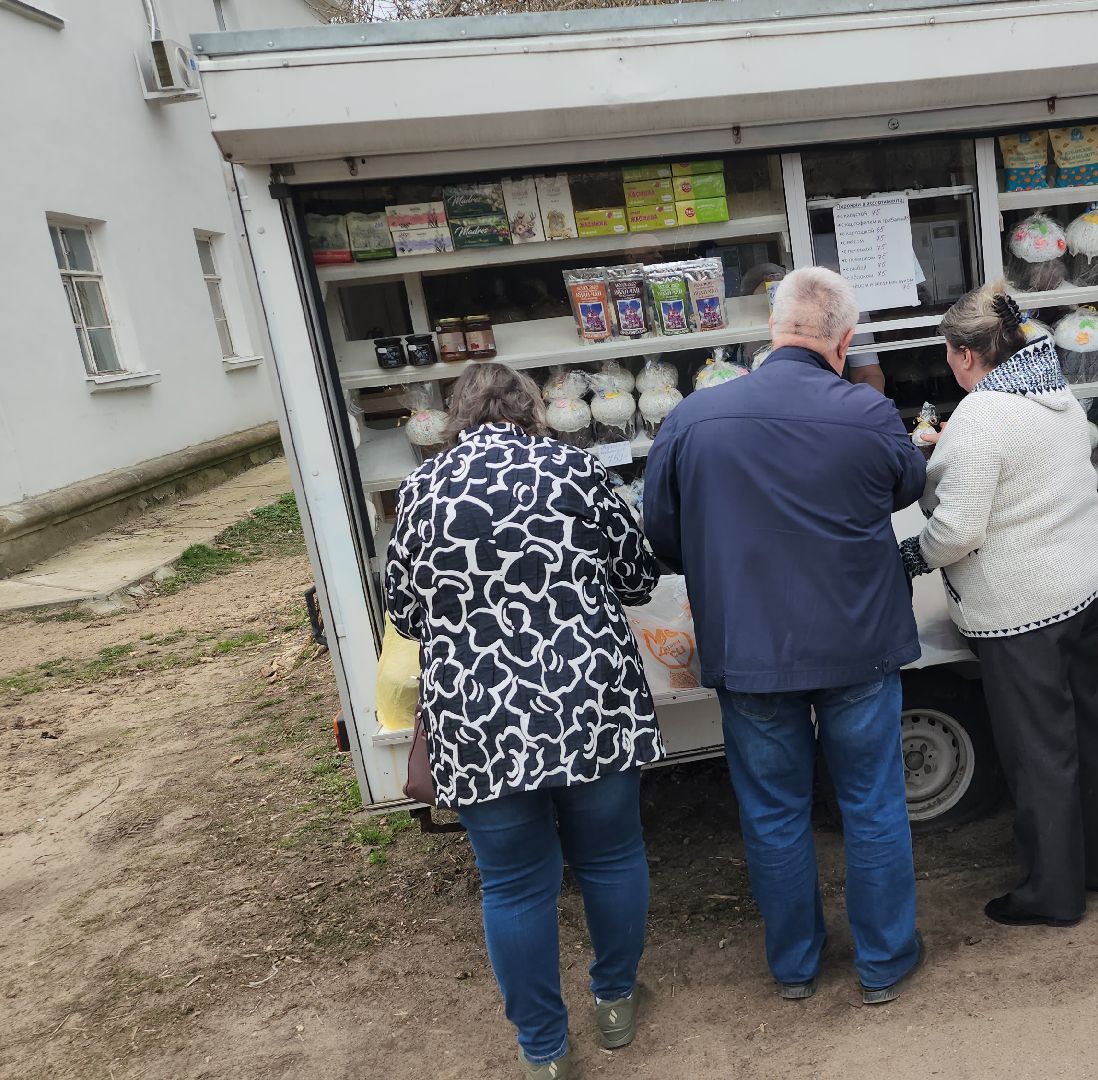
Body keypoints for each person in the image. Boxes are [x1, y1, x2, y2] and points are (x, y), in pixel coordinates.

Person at [641, 266, 927, 1004]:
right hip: (857, 642)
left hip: (750, 647)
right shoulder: (868, 413)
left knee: (772, 810)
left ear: (771, 330)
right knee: (871, 802)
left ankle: (796, 966)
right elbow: (906, 488)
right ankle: (884, 964)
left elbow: (664, 536)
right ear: (845, 338)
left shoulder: (694, 419)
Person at [383, 362, 659, 1080]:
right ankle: (615, 1001)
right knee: (611, 856)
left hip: (478, 718)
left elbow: (406, 613)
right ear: (536, 410)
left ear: (457, 417)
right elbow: (636, 577)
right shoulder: (576, 469)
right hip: (588, 702)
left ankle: (543, 1050)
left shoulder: (422, 488)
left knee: (511, 886)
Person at [898, 284, 1098, 927]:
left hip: (1025, 608)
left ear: (966, 354)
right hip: (1084, 584)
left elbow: (958, 531)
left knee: (1037, 752)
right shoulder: (1052, 394)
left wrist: (909, 557)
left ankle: (1052, 893)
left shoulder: (981, 417)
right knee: (1082, 731)